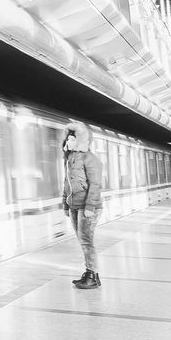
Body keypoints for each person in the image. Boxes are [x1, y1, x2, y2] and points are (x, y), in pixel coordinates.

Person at [62, 121, 105, 289]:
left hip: (88, 207)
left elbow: (95, 185)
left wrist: (89, 208)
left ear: (80, 140)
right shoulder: (69, 159)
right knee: (83, 241)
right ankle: (91, 273)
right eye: (67, 139)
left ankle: (92, 276)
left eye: (72, 139)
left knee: (87, 241)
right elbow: (66, 183)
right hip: (74, 206)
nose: (69, 142)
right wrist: (65, 204)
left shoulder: (90, 158)